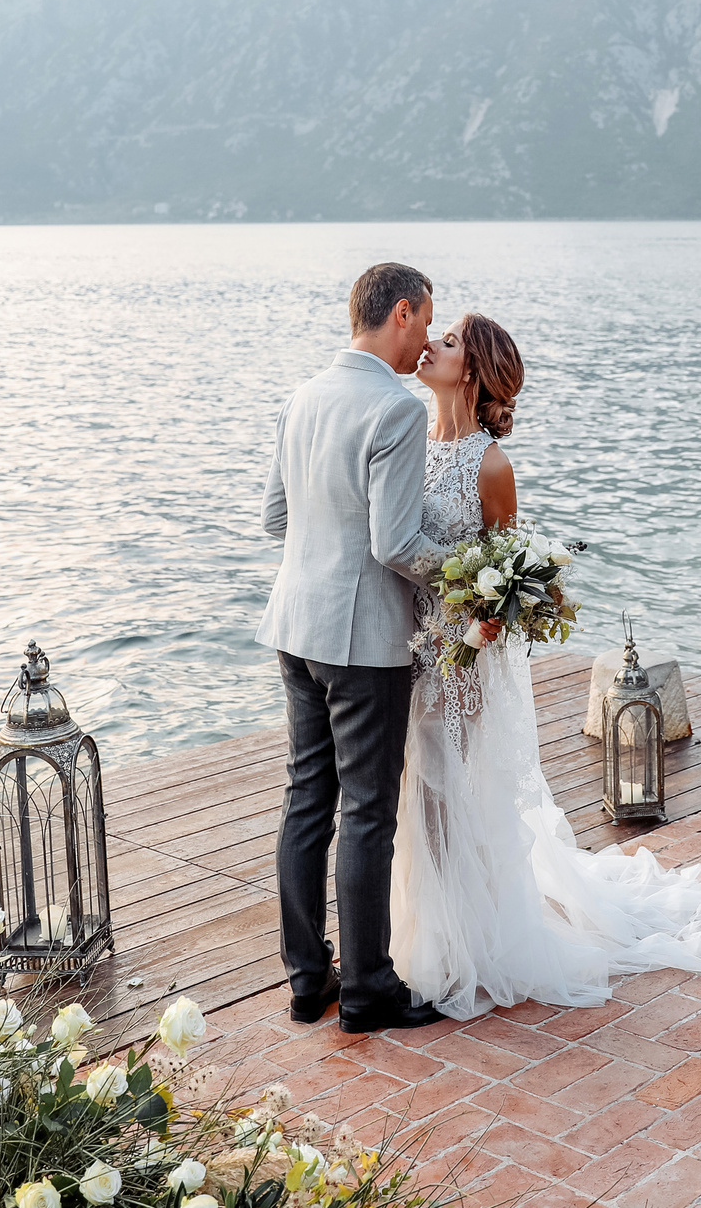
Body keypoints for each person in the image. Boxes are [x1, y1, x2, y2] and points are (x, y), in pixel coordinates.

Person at [390, 312, 701, 1019]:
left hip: (462, 658)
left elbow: (506, 570)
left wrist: (481, 626)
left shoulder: (490, 464)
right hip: (407, 647)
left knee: (452, 789)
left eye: (450, 341)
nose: (430, 345)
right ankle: (417, 929)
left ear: (473, 371)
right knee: (413, 791)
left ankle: (463, 939)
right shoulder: (413, 441)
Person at [257, 262, 453, 1032]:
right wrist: (471, 568)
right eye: (426, 319)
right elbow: (396, 541)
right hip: (362, 639)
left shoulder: (298, 397)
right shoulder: (395, 410)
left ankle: (310, 980)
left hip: (294, 627)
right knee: (369, 810)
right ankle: (368, 989)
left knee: (308, 797)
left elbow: (276, 520)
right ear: (400, 312)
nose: (428, 338)